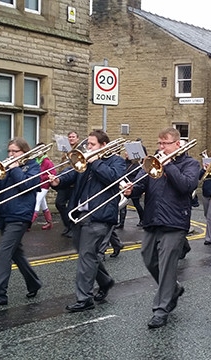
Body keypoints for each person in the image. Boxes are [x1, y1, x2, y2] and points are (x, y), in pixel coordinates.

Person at [123, 128, 199, 329]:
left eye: (165, 144)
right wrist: (132, 189)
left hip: (175, 222)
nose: (161, 147)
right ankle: (173, 289)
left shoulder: (190, 164)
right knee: (148, 258)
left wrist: (169, 165)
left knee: (166, 266)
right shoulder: (152, 161)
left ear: (177, 144)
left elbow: (187, 186)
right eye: (159, 143)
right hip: (152, 219)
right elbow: (140, 184)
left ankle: (161, 309)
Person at [51, 130, 125, 312]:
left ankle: (84, 299)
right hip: (79, 216)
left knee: (85, 257)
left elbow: (113, 178)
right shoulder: (85, 160)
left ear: (103, 145)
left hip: (99, 216)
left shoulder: (116, 161)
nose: (88, 148)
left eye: (92, 145)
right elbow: (72, 174)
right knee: (87, 254)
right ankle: (105, 281)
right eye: (88, 144)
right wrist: (58, 180)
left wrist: (96, 161)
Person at [0, 138, 43, 307]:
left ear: (24, 152)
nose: (11, 154)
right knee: (15, 253)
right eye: (9, 151)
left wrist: (15, 168)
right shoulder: (7, 167)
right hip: (5, 215)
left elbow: (27, 185)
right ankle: (34, 283)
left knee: (3, 254)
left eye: (15, 151)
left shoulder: (33, 166)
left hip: (20, 216)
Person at [55, 131, 81, 238]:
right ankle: (68, 225)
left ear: (77, 139)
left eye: (73, 137)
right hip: (64, 180)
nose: (71, 139)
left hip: (73, 182)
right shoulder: (65, 150)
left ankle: (72, 227)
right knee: (59, 203)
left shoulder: (79, 150)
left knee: (72, 207)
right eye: (69, 137)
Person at [31, 142, 56, 230]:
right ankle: (49, 222)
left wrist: (41, 177)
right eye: (36, 150)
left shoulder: (47, 162)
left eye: (40, 150)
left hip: (43, 186)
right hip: (37, 185)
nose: (38, 152)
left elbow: (53, 173)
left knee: (36, 203)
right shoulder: (35, 161)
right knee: (43, 204)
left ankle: (28, 224)